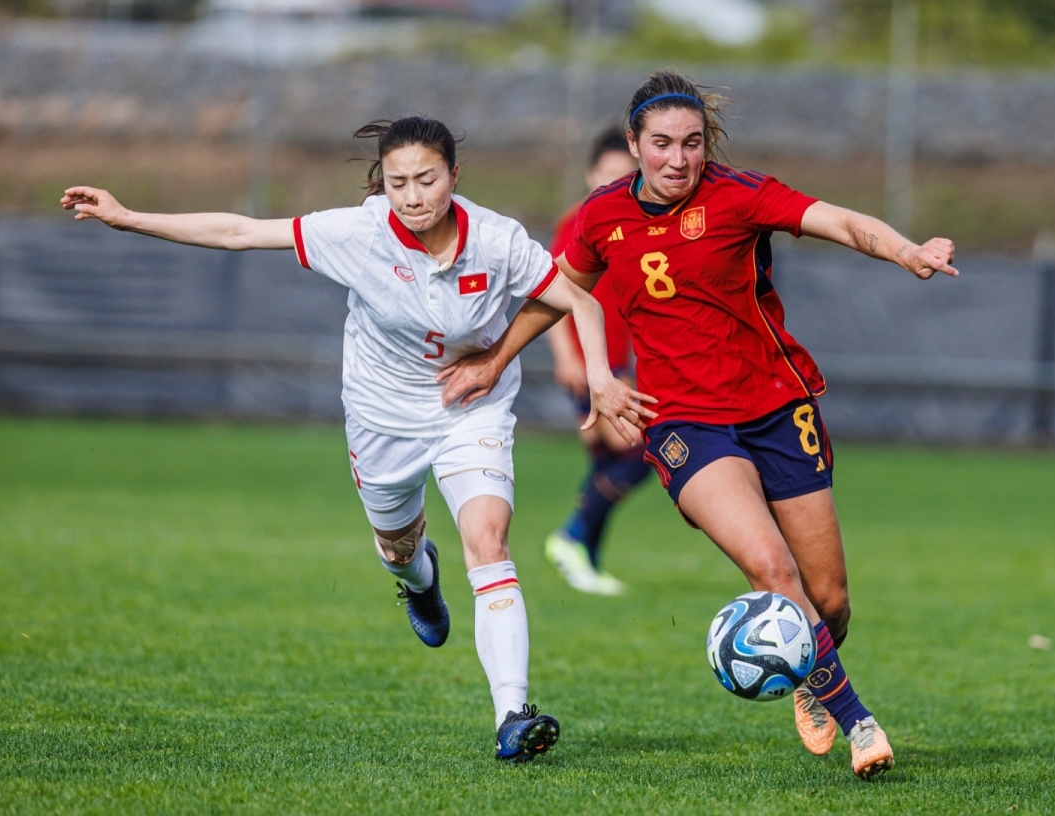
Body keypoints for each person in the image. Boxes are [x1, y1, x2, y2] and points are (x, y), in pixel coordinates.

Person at [61, 115, 656, 764]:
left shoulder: (497, 239)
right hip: (380, 417)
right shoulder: (358, 232)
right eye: (398, 182)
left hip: (471, 410)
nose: (413, 194)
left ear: (454, 176)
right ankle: (418, 581)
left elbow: (582, 301)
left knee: (488, 538)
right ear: (383, 185)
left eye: (426, 178)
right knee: (399, 551)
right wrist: (128, 216)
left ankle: (512, 714)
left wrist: (600, 375)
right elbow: (238, 232)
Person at [437, 71, 958, 780]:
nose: (677, 159)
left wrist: (905, 251)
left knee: (828, 600)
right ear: (633, 145)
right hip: (685, 423)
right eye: (661, 144)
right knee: (773, 571)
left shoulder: (738, 195)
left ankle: (809, 672)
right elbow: (557, 294)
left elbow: (838, 219)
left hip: (778, 407)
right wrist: (495, 360)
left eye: (691, 143)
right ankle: (858, 722)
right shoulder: (601, 218)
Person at [542, 127, 648, 595]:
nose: (613, 185)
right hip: (594, 365)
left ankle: (585, 557)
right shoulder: (579, 223)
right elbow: (549, 294)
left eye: (624, 177)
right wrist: (567, 356)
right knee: (645, 448)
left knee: (608, 458)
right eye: (606, 175)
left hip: (621, 363)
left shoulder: (631, 223)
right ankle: (571, 535)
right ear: (589, 174)